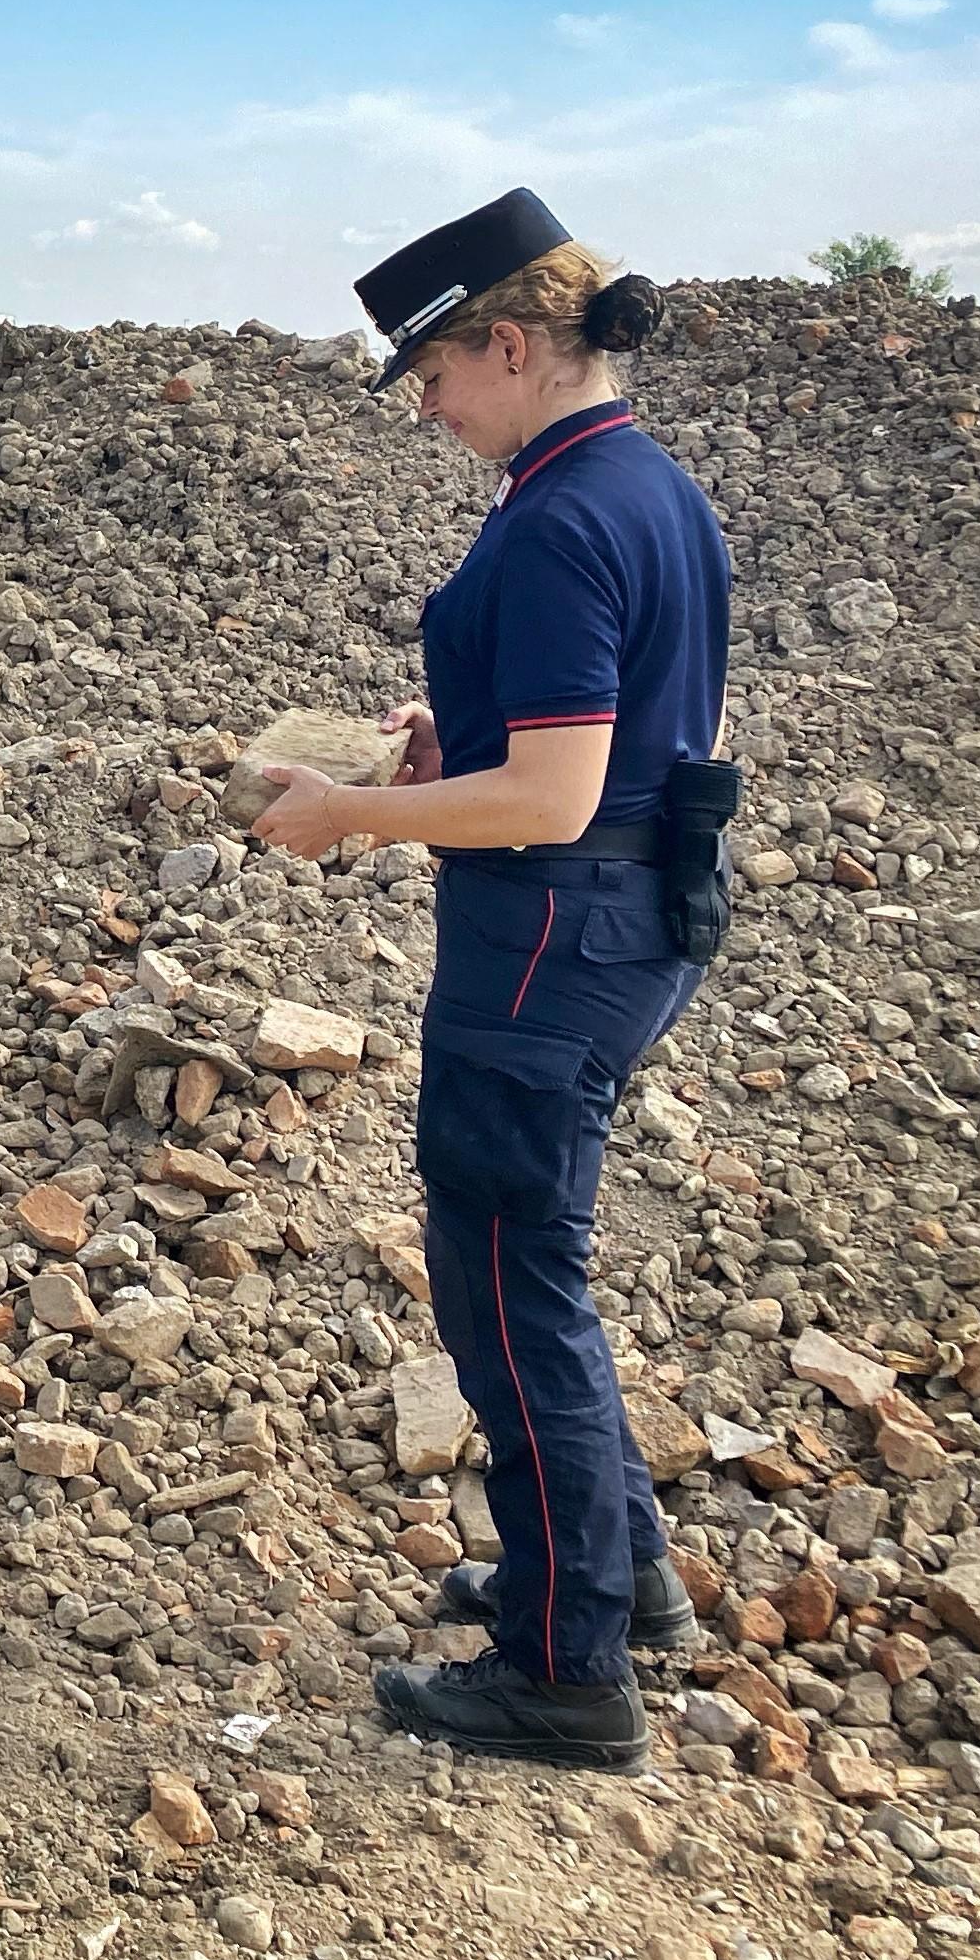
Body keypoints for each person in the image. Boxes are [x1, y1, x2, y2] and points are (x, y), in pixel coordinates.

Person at [242, 188, 732, 1775]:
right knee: (540, 1270)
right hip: (623, 924)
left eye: (436, 377)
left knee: (510, 1285)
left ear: (508, 344)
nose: (432, 410)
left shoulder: (565, 515)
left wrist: (350, 814)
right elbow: (620, 738)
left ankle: (563, 1668)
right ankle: (608, 1571)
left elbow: (552, 799)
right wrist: (453, 737)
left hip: (547, 945)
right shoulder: (642, 486)